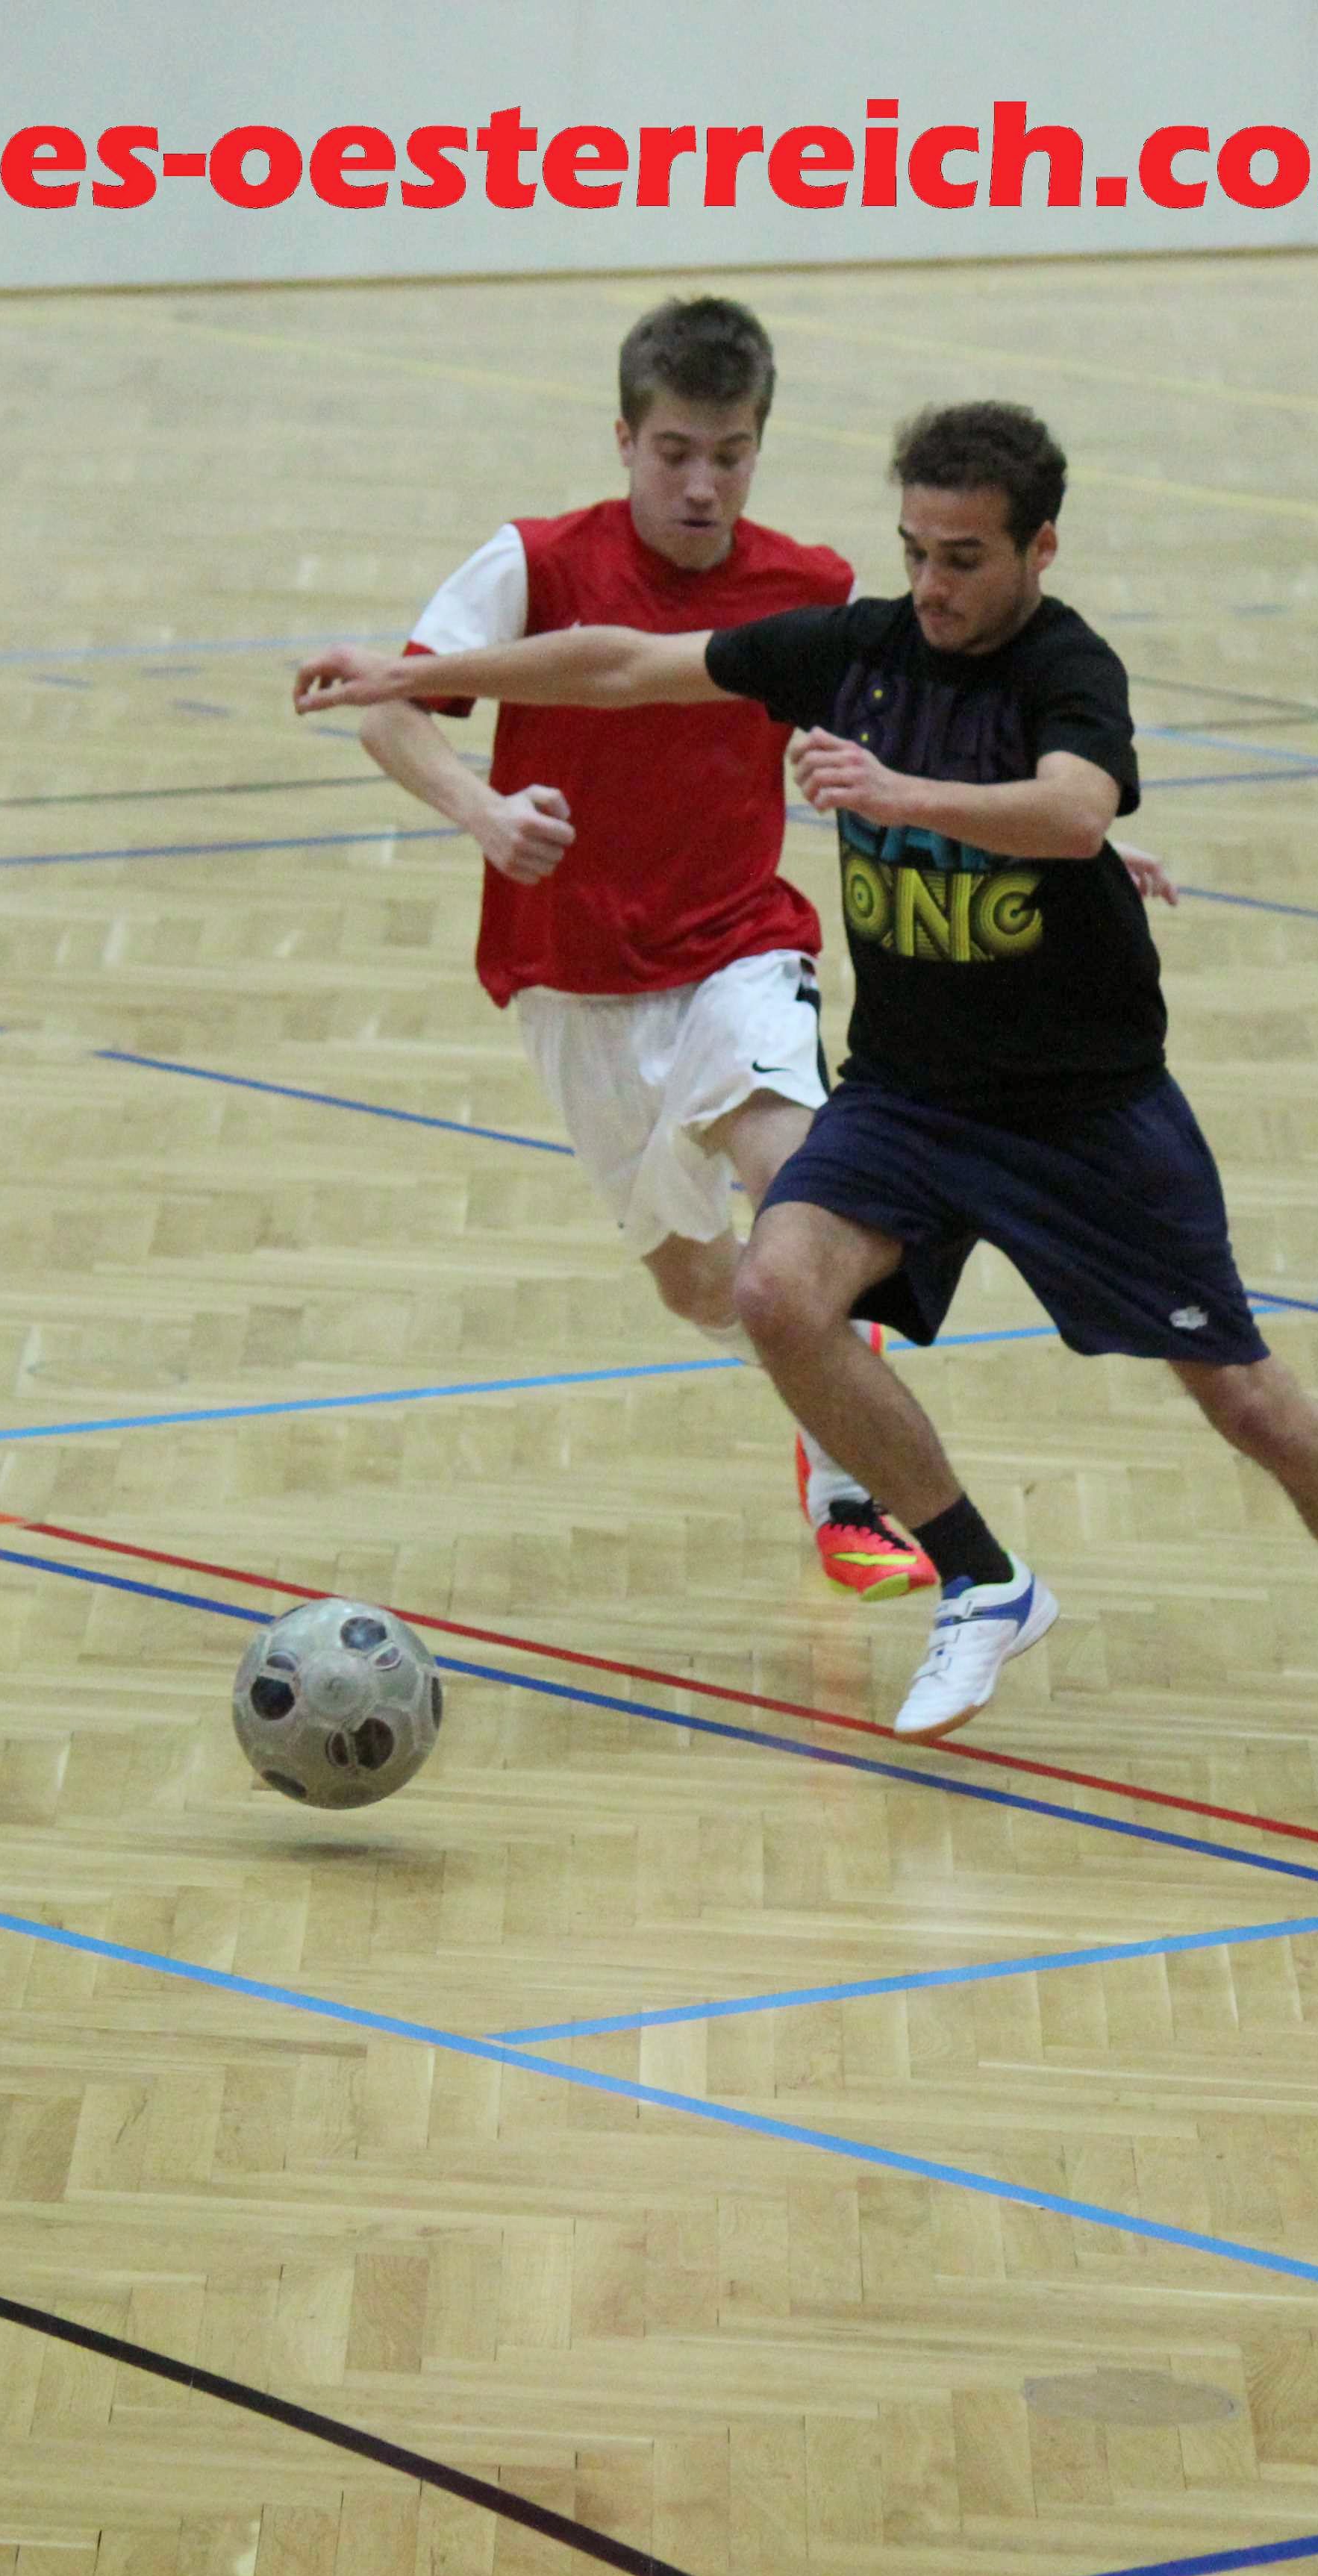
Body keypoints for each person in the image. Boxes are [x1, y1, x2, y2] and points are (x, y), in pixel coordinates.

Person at [299, 404, 1318, 1787]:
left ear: (1038, 549)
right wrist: (410, 671)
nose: (933, 586)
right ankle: (979, 1576)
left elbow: (1073, 810)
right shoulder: (860, 649)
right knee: (777, 1292)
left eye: (963, 559)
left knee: (1250, 1403)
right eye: (914, 552)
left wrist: (896, 792)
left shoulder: (1065, 666)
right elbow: (620, 660)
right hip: (908, 1098)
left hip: (1080, 1112)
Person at [350, 295, 934, 1598]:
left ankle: (853, 1490)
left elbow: (904, 734)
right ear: (624, 440)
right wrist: (483, 812)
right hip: (575, 981)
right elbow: (390, 712)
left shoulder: (810, 587)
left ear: (759, 447)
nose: (701, 483)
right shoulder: (533, 565)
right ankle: (819, 1370)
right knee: (698, 1288)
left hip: (740, 948)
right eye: (674, 452)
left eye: (730, 454)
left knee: (797, 1187)